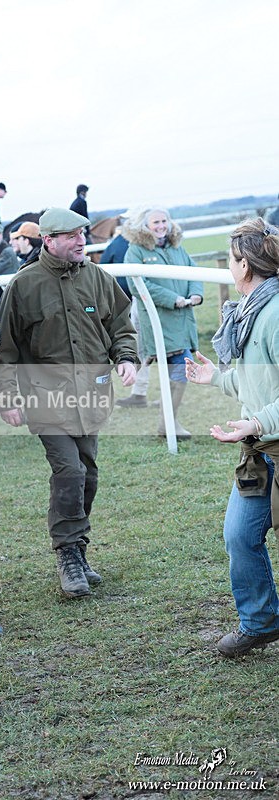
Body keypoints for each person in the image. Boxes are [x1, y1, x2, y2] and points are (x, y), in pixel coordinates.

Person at [0, 208, 138, 598]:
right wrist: (7, 397)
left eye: (83, 234)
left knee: (88, 474)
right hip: (46, 401)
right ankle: (67, 556)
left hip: (92, 399)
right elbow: (5, 349)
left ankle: (78, 548)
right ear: (48, 240)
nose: (81, 241)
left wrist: (125, 357)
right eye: (72, 235)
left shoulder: (98, 278)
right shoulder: (24, 286)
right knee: (70, 472)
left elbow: (121, 325)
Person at [185, 218, 279, 658]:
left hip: (269, 441)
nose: (228, 266)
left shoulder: (275, 312)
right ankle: (260, 623)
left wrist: (256, 424)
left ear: (244, 266)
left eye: (231, 259)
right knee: (240, 536)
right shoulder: (250, 311)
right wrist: (217, 378)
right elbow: (256, 383)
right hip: (260, 452)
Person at [123, 205, 203, 439]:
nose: (160, 226)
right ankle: (168, 424)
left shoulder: (177, 247)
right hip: (159, 320)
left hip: (183, 318)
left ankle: (168, 423)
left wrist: (196, 292)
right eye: (155, 222)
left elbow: (193, 270)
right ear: (145, 226)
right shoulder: (135, 251)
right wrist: (173, 299)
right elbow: (138, 285)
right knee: (181, 364)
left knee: (181, 367)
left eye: (163, 221)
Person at [101, 212, 152, 408]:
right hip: (138, 300)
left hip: (131, 301)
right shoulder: (147, 243)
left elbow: (103, 266)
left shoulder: (119, 243)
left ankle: (140, 392)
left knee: (143, 345)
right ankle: (141, 392)